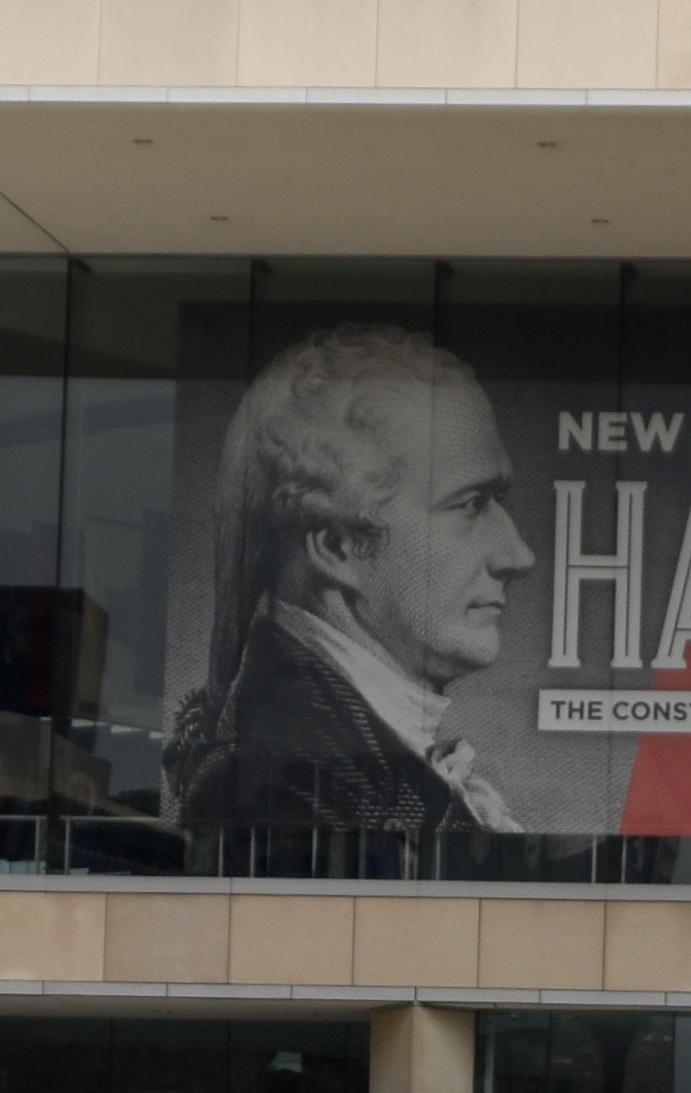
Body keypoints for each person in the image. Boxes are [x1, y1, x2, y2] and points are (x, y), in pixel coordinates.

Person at [164, 323, 542, 845]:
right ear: (339, 546)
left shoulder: (332, 768)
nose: (518, 556)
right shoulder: (278, 791)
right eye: (470, 505)